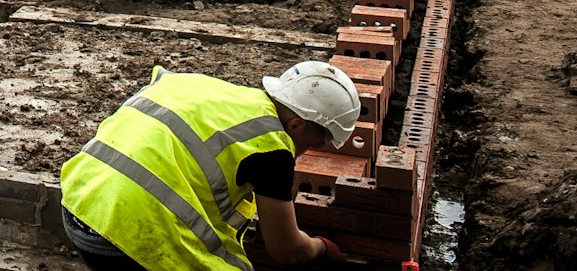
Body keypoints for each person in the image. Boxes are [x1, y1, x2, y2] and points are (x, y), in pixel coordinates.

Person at [60, 61, 359, 270]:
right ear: (296, 124)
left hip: (78, 206)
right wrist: (322, 247)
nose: (304, 153)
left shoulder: (200, 87)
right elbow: (287, 250)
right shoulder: (271, 144)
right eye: (312, 144)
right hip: (122, 239)